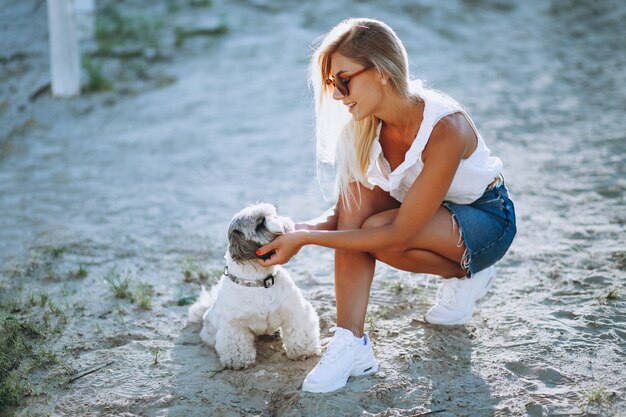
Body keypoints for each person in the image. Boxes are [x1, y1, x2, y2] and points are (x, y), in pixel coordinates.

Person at [256, 18, 516, 393]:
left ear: (379, 72)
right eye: (332, 84)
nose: (336, 94)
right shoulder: (365, 128)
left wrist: (308, 241)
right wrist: (298, 230)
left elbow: (400, 233)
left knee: (376, 232)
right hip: (431, 214)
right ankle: (351, 343)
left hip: (488, 219)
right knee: (358, 206)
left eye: (343, 80)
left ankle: (469, 273)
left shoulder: (446, 128)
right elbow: (345, 218)